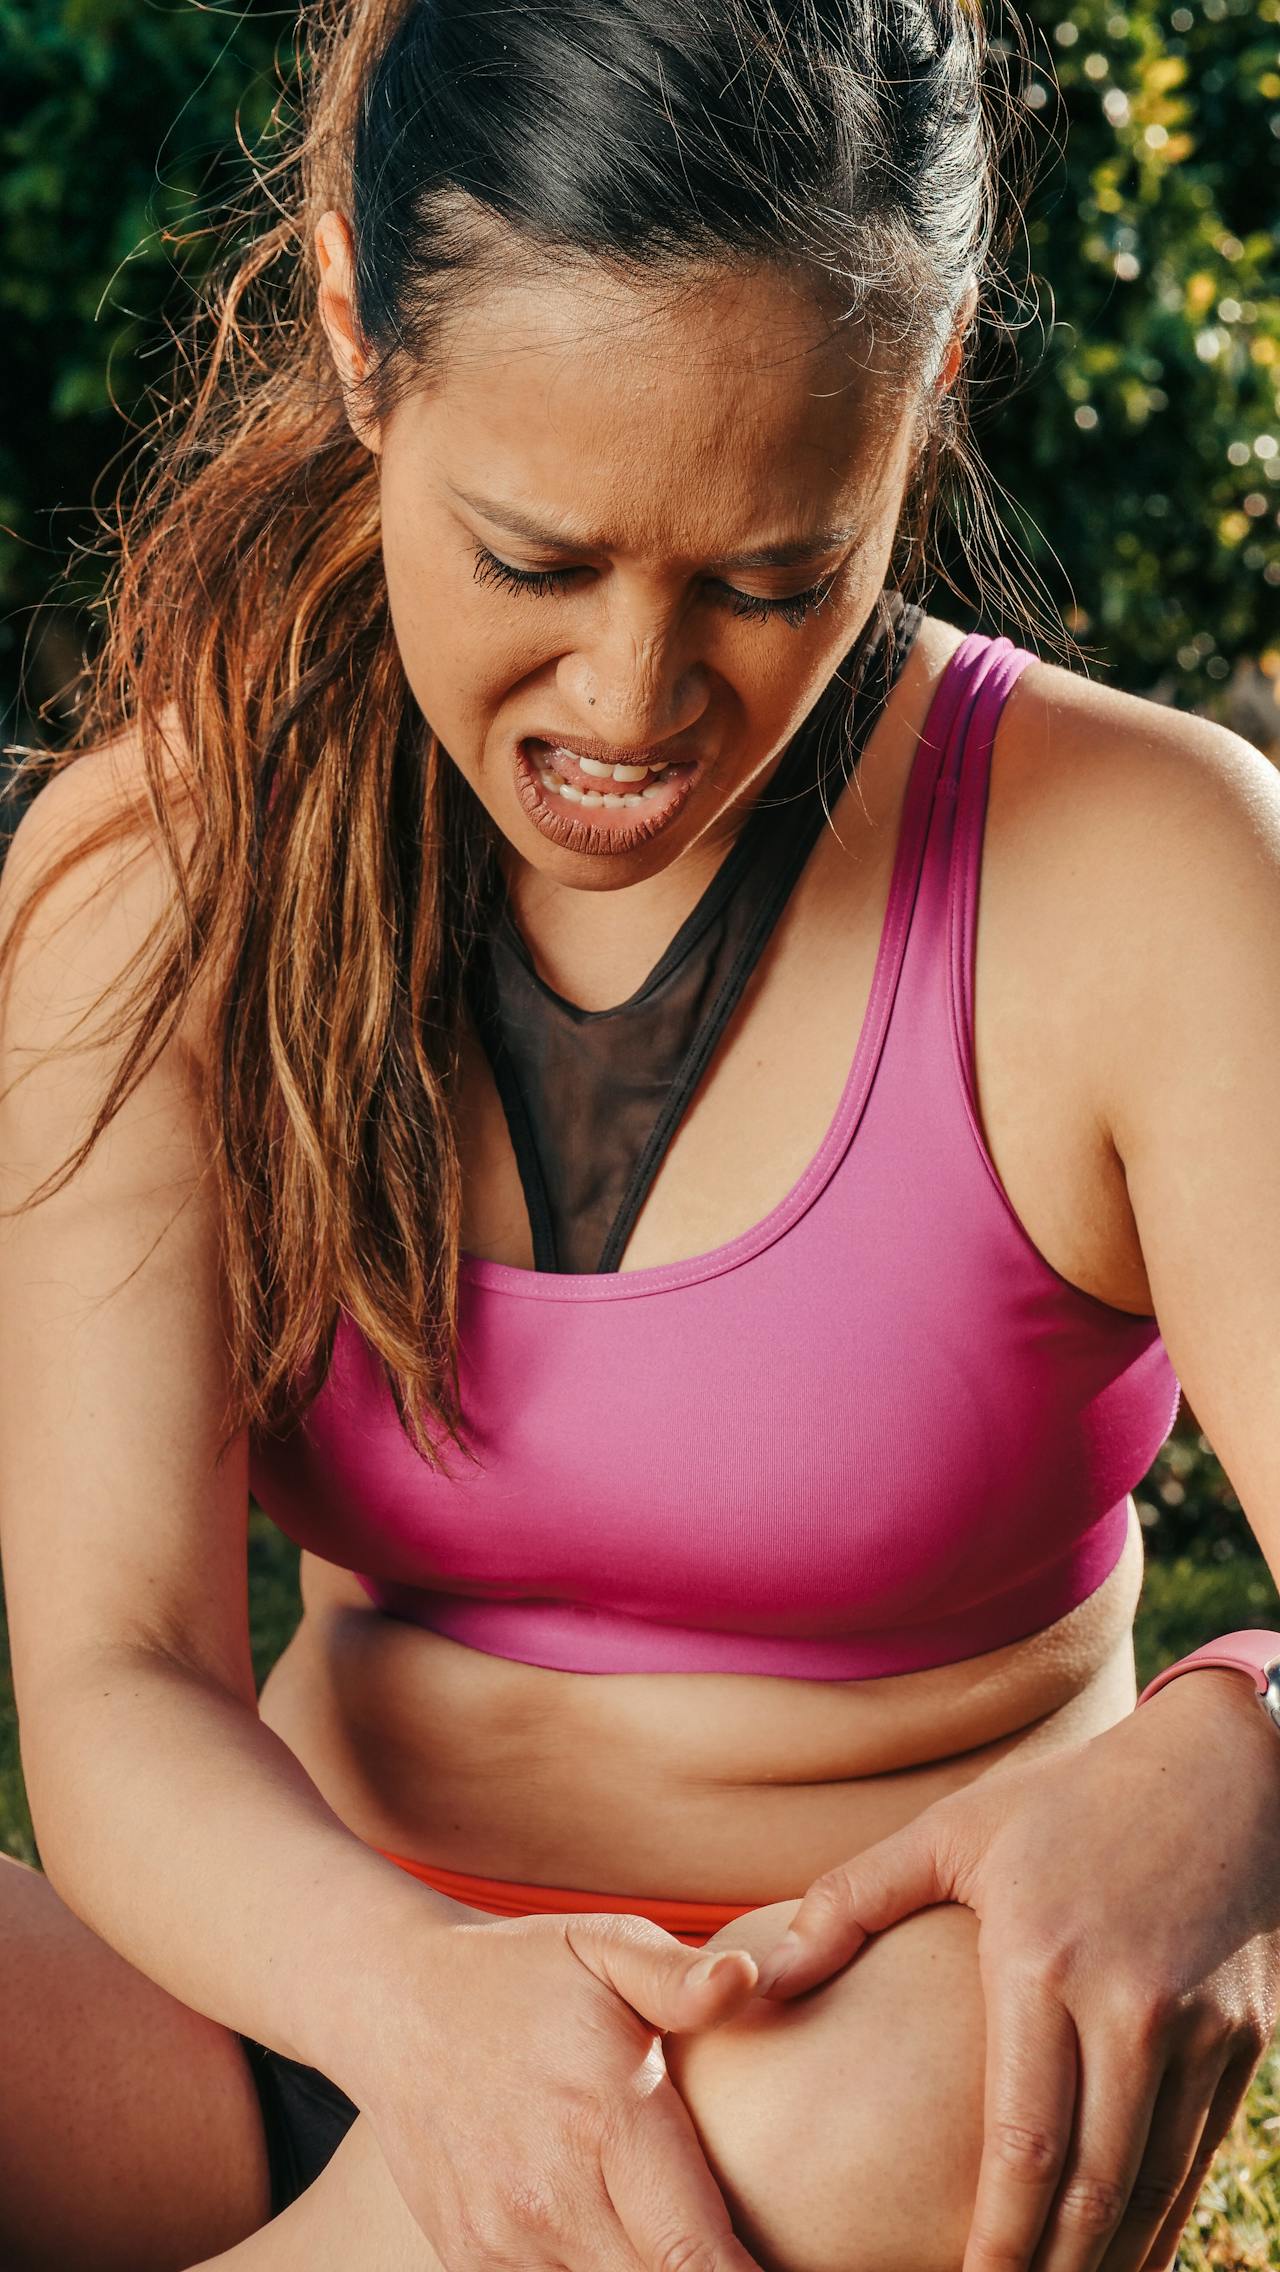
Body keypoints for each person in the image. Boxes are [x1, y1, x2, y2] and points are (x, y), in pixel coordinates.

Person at [1, 1, 1279, 2269]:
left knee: (973, 2050)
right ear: (352, 333)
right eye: (531, 560)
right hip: (303, 2009)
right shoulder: (152, 875)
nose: (627, 705)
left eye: (771, 578)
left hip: (845, 2107)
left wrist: (1248, 1740)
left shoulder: (1151, 874)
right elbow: (117, 1680)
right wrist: (421, 2014)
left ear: (934, 379)